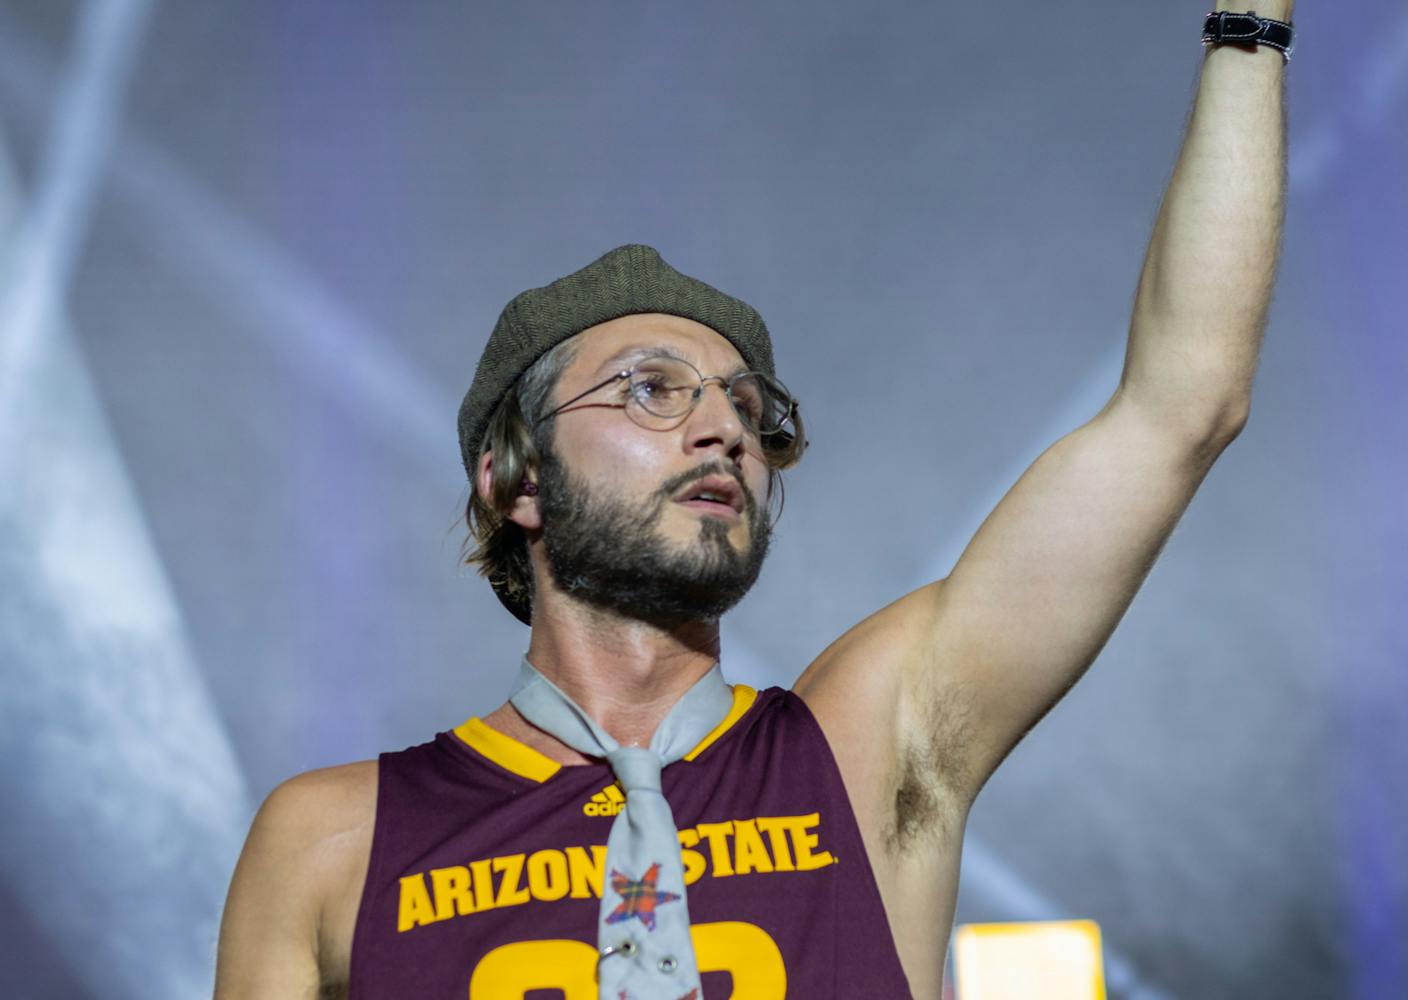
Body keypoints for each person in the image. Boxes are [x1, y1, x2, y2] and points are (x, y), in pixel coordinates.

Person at [213, 9, 1290, 997]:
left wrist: (1251, 23)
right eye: (651, 389)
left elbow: (1181, 405)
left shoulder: (865, 747)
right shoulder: (332, 841)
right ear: (517, 479)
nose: (722, 427)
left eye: (743, 403)